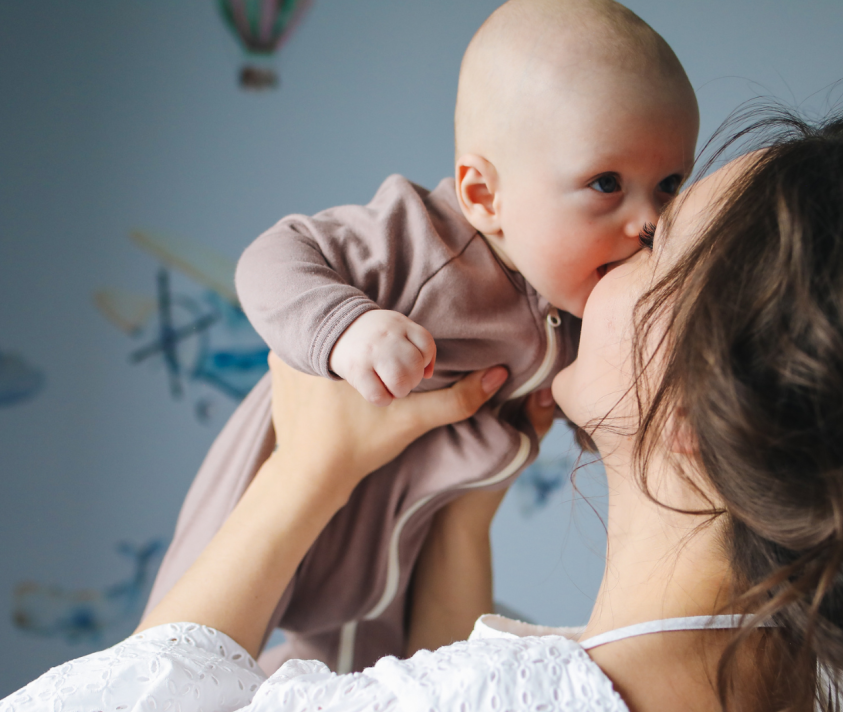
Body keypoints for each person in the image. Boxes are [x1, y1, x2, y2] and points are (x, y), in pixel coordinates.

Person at [4, 108, 843, 712]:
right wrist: (465, 513)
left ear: (698, 404)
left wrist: (305, 473)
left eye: (656, 245)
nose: (611, 248)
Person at [142, 0, 699, 676]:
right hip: (286, 476)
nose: (648, 221)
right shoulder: (422, 242)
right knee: (178, 662)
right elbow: (273, 256)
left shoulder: (581, 300)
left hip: (400, 538)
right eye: (606, 184)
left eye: (669, 187)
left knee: (361, 687)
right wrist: (347, 327)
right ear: (483, 194)